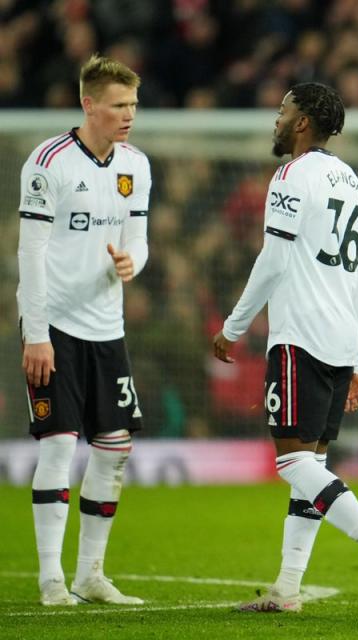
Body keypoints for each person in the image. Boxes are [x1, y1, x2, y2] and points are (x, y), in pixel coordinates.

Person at [212, 82, 358, 615]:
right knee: (311, 466)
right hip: (337, 340)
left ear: (302, 121)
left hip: (299, 337)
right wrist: (357, 358)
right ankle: (287, 589)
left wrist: (233, 326)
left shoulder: (291, 176)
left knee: (291, 463)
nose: (276, 119)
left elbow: (275, 260)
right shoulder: (355, 184)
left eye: (283, 110)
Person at [18, 54, 150, 606]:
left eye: (134, 105)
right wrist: (37, 333)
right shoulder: (48, 162)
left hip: (106, 328)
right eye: (119, 106)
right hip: (55, 326)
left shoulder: (136, 165)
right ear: (88, 103)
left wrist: (131, 265)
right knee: (57, 447)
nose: (128, 116)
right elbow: (31, 250)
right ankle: (51, 578)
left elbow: (138, 238)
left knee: (114, 448)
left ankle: (90, 573)